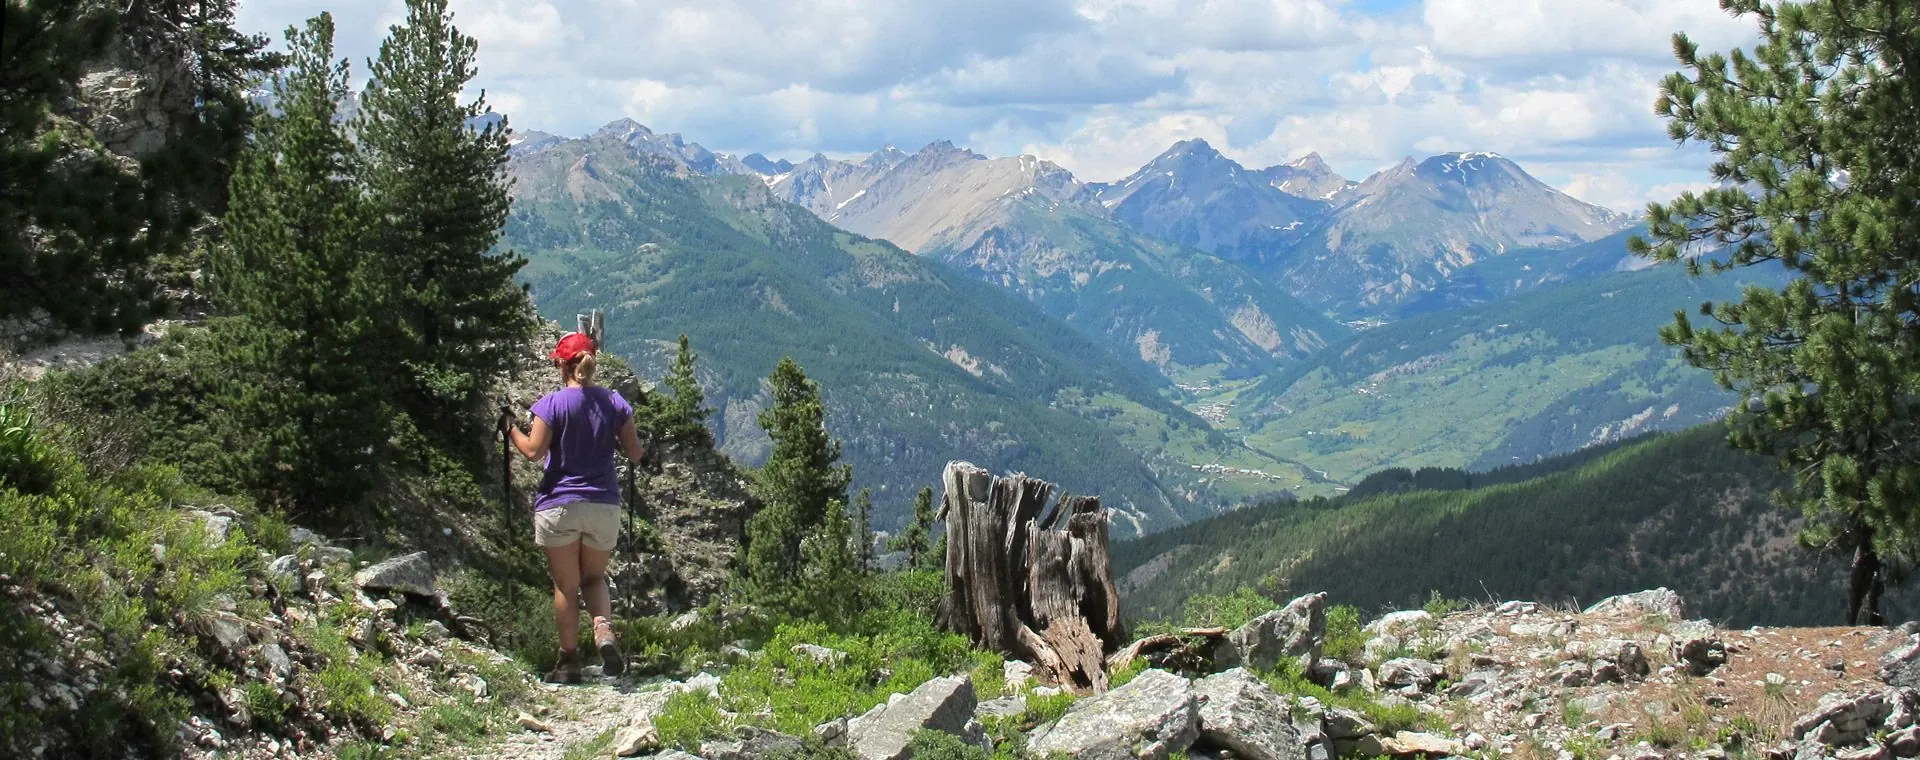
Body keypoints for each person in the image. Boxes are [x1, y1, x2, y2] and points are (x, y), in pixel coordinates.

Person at [502, 332, 646, 683]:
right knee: (594, 577)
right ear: (592, 362)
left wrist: (509, 430)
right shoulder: (615, 403)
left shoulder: (551, 404)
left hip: (559, 503)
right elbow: (635, 454)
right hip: (603, 504)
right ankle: (602, 629)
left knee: (566, 585)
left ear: (560, 364)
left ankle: (569, 663)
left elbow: (534, 452)